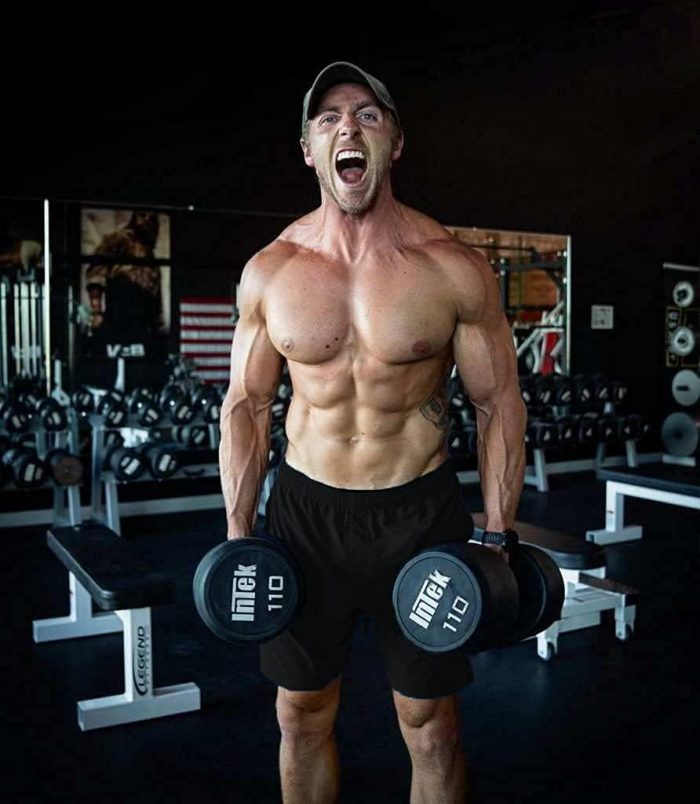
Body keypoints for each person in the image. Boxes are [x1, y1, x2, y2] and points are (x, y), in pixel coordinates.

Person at [219, 61, 527, 804]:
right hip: (305, 515)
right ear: (308, 150)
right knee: (300, 714)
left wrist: (497, 533)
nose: (347, 128)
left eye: (367, 114)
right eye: (328, 118)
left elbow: (499, 403)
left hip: (418, 514)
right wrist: (238, 532)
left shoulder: (452, 267)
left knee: (431, 726)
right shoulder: (272, 270)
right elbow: (246, 405)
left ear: (394, 142)